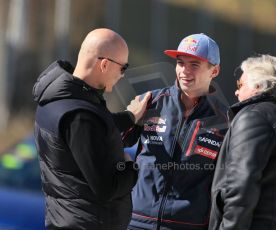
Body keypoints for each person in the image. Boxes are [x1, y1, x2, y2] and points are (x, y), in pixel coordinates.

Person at [32, 28, 151, 230]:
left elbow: (95, 135)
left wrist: (130, 117)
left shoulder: (58, 99)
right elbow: (107, 187)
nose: (122, 75)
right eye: (123, 68)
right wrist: (131, 168)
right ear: (104, 64)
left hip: (65, 219)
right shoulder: (80, 116)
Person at [122, 33, 229, 230]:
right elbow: (112, 143)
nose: (184, 71)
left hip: (187, 224)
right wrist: (129, 118)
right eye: (180, 63)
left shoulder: (226, 121)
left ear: (214, 71)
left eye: (194, 65)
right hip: (136, 221)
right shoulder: (149, 102)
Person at [209, 54, 276, 230]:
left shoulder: (253, 116)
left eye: (240, 84)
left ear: (259, 86)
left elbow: (240, 189)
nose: (236, 91)